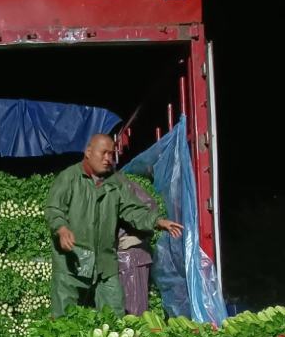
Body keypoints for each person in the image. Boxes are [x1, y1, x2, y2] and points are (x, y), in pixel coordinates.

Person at [45, 133, 183, 317]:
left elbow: (133, 210)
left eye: (111, 154)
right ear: (88, 152)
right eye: (103, 153)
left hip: (104, 261)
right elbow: (54, 209)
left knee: (114, 313)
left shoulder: (116, 182)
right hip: (73, 258)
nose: (108, 159)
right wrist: (61, 229)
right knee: (63, 316)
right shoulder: (69, 178)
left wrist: (156, 221)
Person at [117, 176, 157, 316]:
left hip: (131, 257)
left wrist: (139, 237)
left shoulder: (124, 186)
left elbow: (149, 206)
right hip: (116, 257)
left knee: (134, 311)